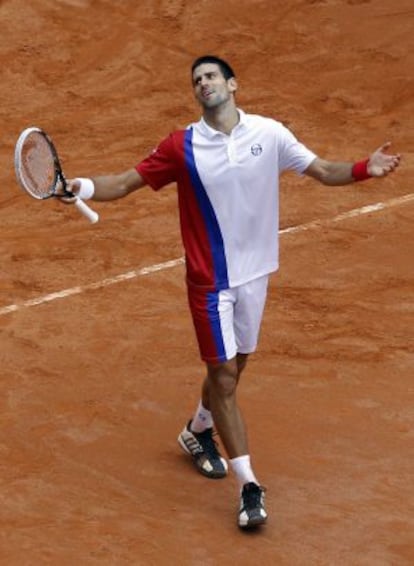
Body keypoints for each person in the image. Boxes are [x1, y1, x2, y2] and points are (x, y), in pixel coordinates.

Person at [61, 55, 401, 530]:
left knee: (238, 364)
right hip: (209, 280)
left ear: (232, 84)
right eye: (196, 80)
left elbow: (323, 170)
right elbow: (129, 181)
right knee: (222, 374)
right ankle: (248, 486)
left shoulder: (269, 134)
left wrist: (368, 167)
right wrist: (85, 186)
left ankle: (197, 430)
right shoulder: (182, 146)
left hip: (257, 271)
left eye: (211, 76)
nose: (204, 84)